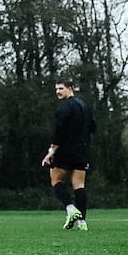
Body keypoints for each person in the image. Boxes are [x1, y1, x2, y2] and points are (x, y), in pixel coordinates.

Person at [41, 80, 96, 230]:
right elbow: (92, 127)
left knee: (55, 179)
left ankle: (71, 209)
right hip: (82, 150)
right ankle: (82, 222)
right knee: (79, 185)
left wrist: (51, 151)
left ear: (70, 88)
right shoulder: (85, 106)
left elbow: (59, 132)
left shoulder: (64, 107)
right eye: (56, 89)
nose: (58, 92)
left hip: (65, 150)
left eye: (61, 88)